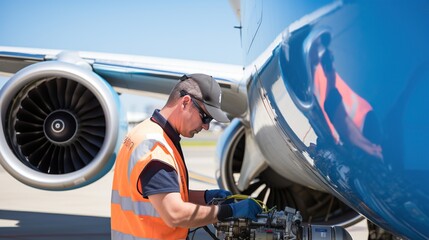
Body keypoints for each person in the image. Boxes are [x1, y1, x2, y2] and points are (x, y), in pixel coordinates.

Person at [111, 73, 262, 239]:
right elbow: (175, 214)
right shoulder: (155, 148)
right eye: (205, 117)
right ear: (185, 102)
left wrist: (206, 197)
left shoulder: (146, 132)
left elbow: (160, 196)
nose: (206, 126)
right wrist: (228, 211)